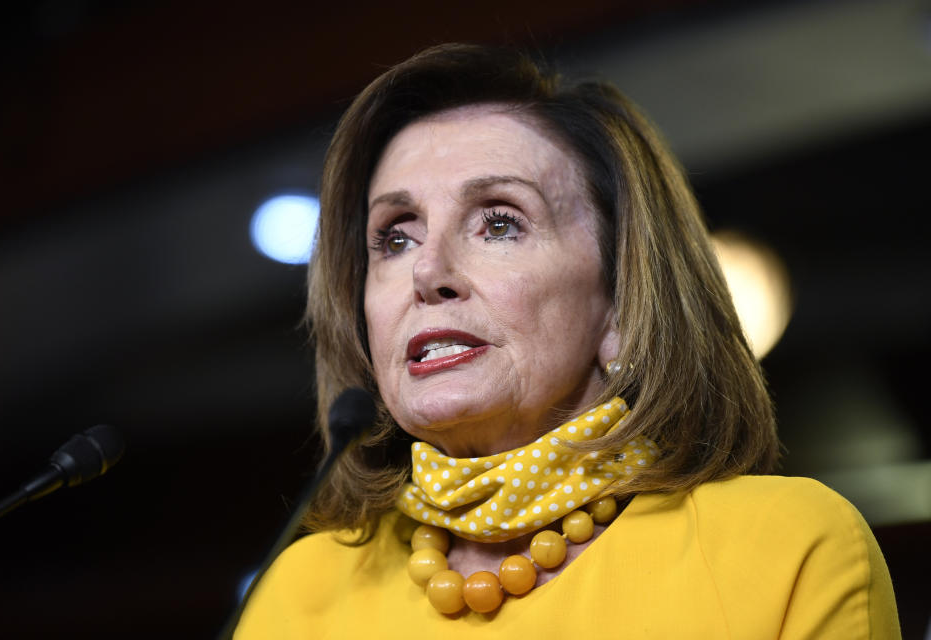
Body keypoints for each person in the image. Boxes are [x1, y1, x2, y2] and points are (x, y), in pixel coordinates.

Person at [234, 44, 899, 638]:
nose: (428, 272)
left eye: (499, 224)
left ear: (621, 304)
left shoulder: (785, 549)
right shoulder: (297, 597)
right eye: (396, 237)